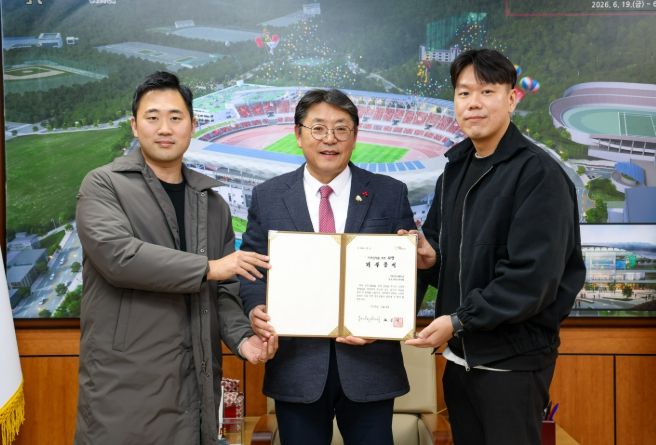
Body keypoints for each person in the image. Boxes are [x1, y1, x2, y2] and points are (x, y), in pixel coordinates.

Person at [74, 71, 276, 445]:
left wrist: (243, 339)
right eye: (152, 117)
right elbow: (119, 257)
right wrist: (209, 268)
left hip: (197, 383)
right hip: (126, 386)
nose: (164, 128)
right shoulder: (103, 185)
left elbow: (224, 291)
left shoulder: (211, 203)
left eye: (175, 117)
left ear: (193, 125)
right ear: (135, 126)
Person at [402, 49, 586, 444]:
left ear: (512, 98)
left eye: (487, 91)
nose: (474, 103)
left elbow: (531, 281)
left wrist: (458, 320)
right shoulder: (454, 172)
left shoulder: (539, 175)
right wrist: (431, 260)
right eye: (464, 92)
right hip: (460, 360)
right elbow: (450, 258)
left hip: (511, 366)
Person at [239, 89, 416, 444]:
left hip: (370, 367)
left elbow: (412, 271)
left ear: (355, 135)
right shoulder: (268, 196)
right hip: (296, 367)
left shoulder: (389, 193)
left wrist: (388, 318)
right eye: (318, 128)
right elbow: (253, 269)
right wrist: (256, 308)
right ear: (298, 134)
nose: (329, 139)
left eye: (341, 128)